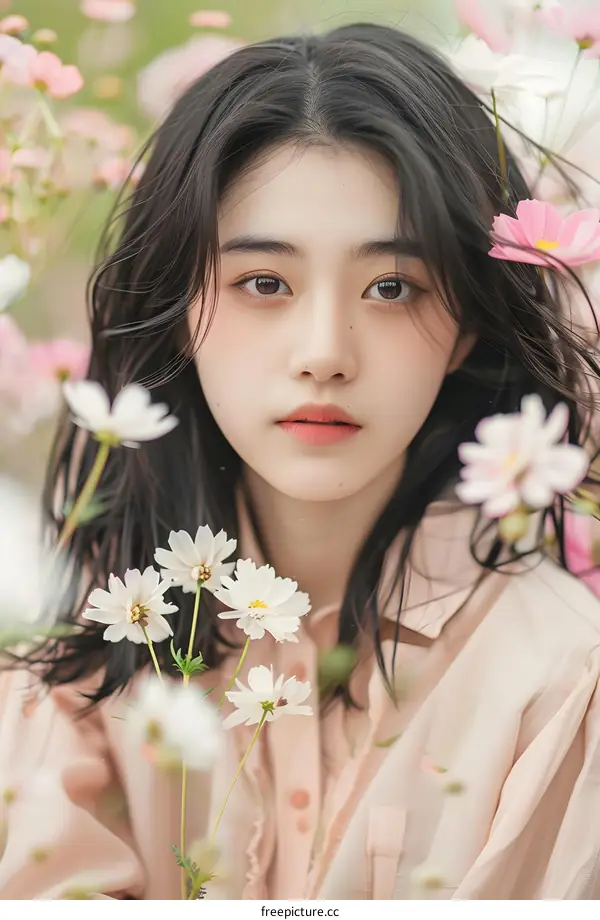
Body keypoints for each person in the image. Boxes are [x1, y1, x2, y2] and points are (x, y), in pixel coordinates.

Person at [1, 21, 600, 901]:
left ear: (468, 318)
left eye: (392, 286)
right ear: (176, 306)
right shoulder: (78, 683)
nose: (325, 352)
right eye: (265, 284)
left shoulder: (557, 681)